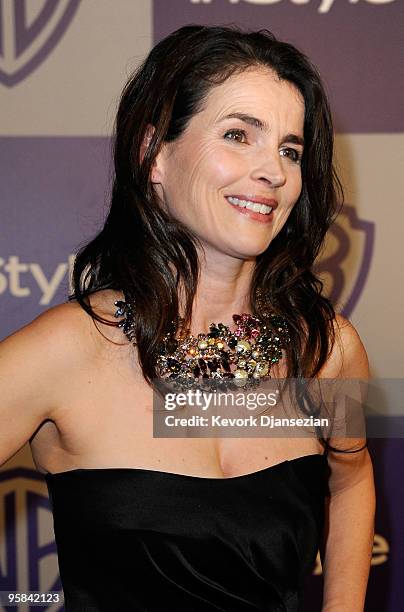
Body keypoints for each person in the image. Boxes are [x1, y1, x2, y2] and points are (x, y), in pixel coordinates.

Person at [0, 24, 375, 612]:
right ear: (153, 154)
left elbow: (351, 476)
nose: (274, 172)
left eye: (290, 150)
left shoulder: (324, 347)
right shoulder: (69, 351)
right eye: (237, 135)